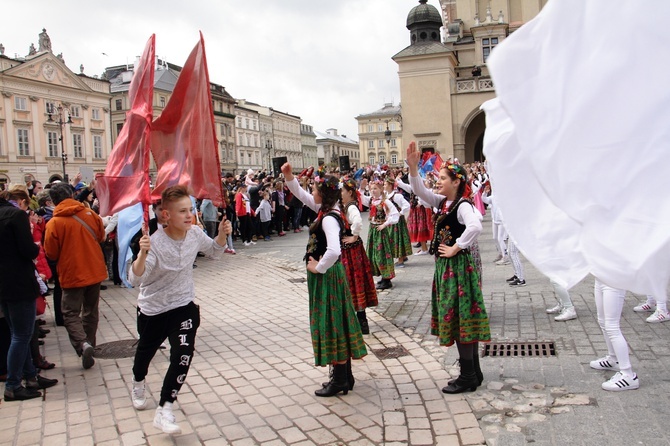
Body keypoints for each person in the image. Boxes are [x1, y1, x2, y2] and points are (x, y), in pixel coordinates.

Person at [129, 185, 232, 434]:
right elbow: (135, 279)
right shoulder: (154, 242)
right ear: (166, 215)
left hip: (183, 307)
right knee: (145, 353)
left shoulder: (195, 234)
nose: (189, 215)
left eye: (191, 209)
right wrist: (142, 255)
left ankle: (165, 407)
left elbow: (215, 252)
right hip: (153, 310)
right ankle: (138, 380)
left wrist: (221, 235)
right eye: (182, 211)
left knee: (183, 355)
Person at [407, 141, 490, 394]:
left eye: (443, 178)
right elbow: (420, 191)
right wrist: (413, 169)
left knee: (460, 318)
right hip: (448, 269)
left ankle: (467, 375)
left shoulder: (462, 204)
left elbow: (476, 226)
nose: (438, 181)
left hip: (457, 270)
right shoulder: (443, 202)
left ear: (456, 182)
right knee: (459, 318)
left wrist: (457, 246)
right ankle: (472, 372)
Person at [282, 164, 367, 397]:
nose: (313, 191)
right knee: (335, 320)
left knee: (331, 322)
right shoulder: (327, 210)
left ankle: (339, 379)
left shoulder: (329, 217)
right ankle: (344, 376)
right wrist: (289, 177)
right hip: (330, 276)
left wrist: (318, 268)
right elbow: (300, 194)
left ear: (323, 194)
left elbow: (334, 250)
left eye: (316, 189)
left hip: (328, 277)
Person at [0, 190, 58, 401]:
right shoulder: (14, 215)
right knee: (22, 335)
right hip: (19, 282)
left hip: (4, 285)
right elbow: (28, 250)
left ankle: (31, 377)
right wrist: (34, 246)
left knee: (17, 333)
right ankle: (13, 385)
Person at [44, 183, 107, 370]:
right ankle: (90, 345)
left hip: (72, 273)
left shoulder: (54, 223)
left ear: (54, 201)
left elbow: (51, 253)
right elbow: (101, 236)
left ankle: (82, 344)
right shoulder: (88, 214)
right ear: (72, 194)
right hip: (94, 270)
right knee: (91, 310)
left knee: (70, 312)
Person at [340, 178, 378, 334]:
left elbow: (357, 222)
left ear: (349, 193)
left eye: (342, 191)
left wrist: (354, 236)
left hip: (351, 250)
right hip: (349, 250)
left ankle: (361, 320)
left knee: (354, 280)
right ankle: (359, 320)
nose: (340, 194)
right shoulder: (345, 206)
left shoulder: (351, 208)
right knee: (353, 280)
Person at [590, 280, 639, 391]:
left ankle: (628, 375)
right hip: (600, 278)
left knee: (612, 326)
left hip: (614, 280)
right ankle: (613, 359)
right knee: (602, 321)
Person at [359, 178, 399, 290]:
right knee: (374, 254)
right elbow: (361, 198)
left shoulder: (385, 201)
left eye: (375, 188)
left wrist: (385, 224)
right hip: (373, 230)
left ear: (381, 189)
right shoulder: (372, 200)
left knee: (382, 254)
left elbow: (395, 214)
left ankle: (387, 279)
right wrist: (362, 188)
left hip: (381, 231)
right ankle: (383, 277)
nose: (373, 191)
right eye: (371, 189)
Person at [384, 177, 412, 268]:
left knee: (397, 239)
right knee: (395, 238)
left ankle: (400, 260)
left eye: (385, 184)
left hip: (397, 221)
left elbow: (407, 205)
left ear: (390, 186)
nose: (384, 186)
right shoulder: (387, 195)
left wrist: (400, 213)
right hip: (392, 220)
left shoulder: (396, 196)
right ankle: (403, 257)